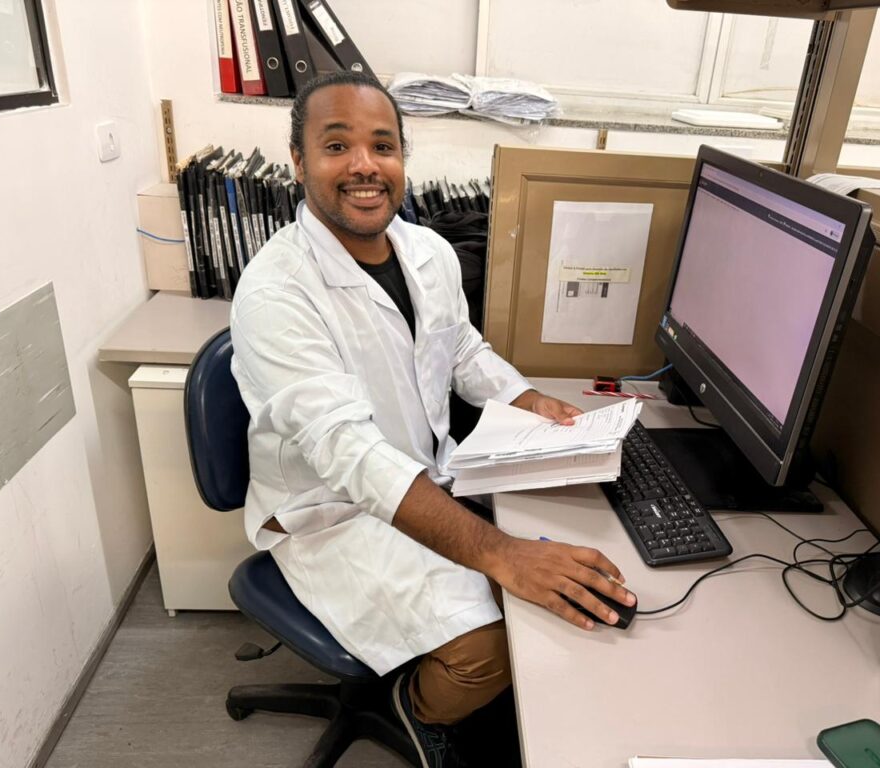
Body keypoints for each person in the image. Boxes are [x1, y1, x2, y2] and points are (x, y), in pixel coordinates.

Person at [229, 71, 635, 768]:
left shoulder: (427, 252)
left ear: (402, 159)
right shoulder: (276, 293)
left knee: (560, 579)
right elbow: (353, 456)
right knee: (491, 645)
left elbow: (461, 349)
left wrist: (525, 399)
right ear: (298, 161)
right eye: (337, 146)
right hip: (333, 512)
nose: (365, 165)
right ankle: (413, 707)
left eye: (383, 146)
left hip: (424, 480)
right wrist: (500, 552)